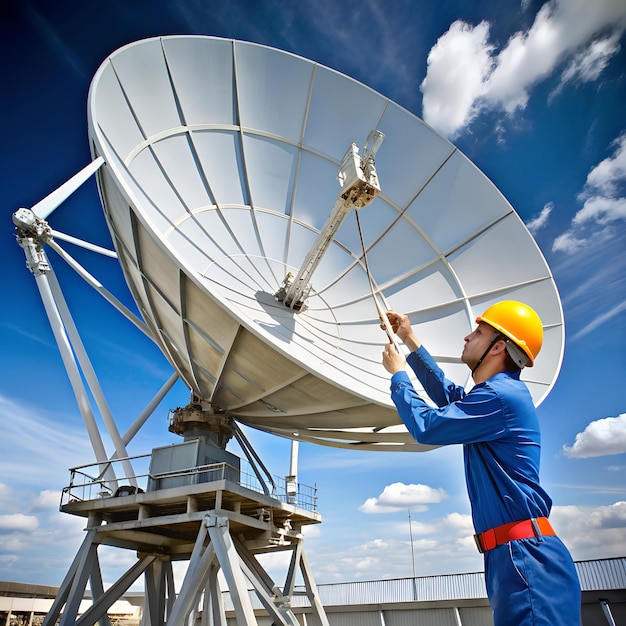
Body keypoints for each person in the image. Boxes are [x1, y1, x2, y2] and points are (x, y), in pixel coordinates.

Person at [381, 301, 581, 626]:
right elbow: (449, 395)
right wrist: (409, 337)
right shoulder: (494, 396)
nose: (467, 337)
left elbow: (428, 426)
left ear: (498, 347)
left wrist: (399, 375)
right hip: (511, 555)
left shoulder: (500, 397)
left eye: (478, 332)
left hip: (524, 555)